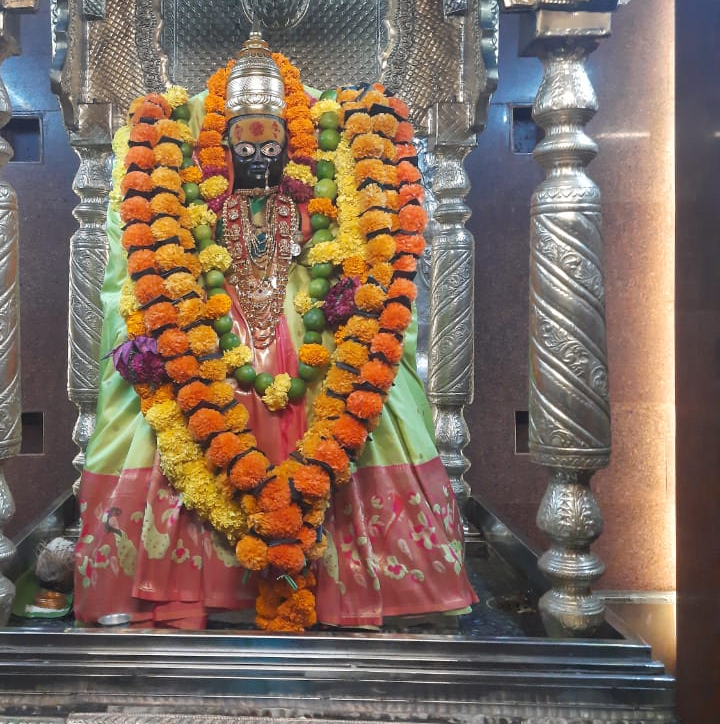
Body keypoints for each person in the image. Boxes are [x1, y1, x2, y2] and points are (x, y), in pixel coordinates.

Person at [74, 32, 476, 631]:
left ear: (293, 143)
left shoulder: (314, 195)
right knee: (191, 399)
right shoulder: (193, 197)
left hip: (302, 320)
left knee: (349, 391)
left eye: (270, 143)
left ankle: (331, 572)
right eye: (245, 143)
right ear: (222, 145)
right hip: (215, 324)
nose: (258, 156)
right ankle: (214, 584)